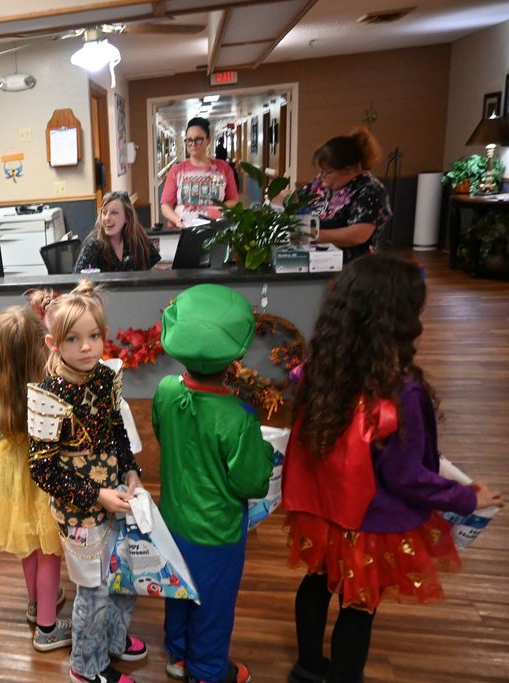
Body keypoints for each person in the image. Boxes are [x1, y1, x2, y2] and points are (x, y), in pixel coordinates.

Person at [282, 255, 503, 683]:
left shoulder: (321, 369)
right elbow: (406, 476)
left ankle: (306, 667)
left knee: (317, 581)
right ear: (398, 322)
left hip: (324, 510)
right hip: (370, 522)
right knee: (358, 607)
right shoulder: (400, 393)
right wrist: (467, 496)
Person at [28, 280, 148, 683]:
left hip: (116, 494)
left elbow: (117, 430)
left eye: (94, 336)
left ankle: (113, 640)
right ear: (53, 343)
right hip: (79, 510)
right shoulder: (48, 397)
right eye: (74, 339)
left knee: (124, 575)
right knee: (93, 591)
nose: (87, 347)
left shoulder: (104, 377)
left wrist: (132, 470)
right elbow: (42, 470)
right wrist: (97, 495)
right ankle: (87, 666)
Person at [153, 284, 274, 683]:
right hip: (216, 532)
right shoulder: (238, 417)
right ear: (234, 357)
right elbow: (252, 482)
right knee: (214, 602)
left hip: (172, 521)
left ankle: (179, 656)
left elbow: (162, 434)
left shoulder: (166, 391)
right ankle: (207, 671)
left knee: (180, 589)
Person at [0, 305, 69, 652]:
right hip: (46, 478)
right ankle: (47, 628)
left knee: (28, 543)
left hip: (11, 475)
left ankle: (35, 603)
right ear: (41, 346)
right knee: (49, 550)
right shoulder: (52, 389)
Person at [293, 128, 392, 263]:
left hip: (353, 266)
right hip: (315, 261)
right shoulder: (321, 184)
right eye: (320, 171)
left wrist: (312, 234)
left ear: (348, 170)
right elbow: (295, 198)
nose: (320, 176)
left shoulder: (370, 190)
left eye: (327, 172)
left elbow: (357, 235)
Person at [160, 117, 238, 228]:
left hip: (215, 231)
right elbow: (165, 205)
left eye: (198, 139)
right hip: (183, 230)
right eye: (189, 140)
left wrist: (217, 212)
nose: (193, 143)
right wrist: (177, 220)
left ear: (208, 140)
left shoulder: (223, 168)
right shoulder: (177, 170)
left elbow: (233, 200)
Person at [74, 191, 160, 273]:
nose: (107, 218)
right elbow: (76, 282)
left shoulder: (139, 239)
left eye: (114, 213)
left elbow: (154, 270)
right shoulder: (93, 245)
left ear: (127, 217)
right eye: (104, 213)